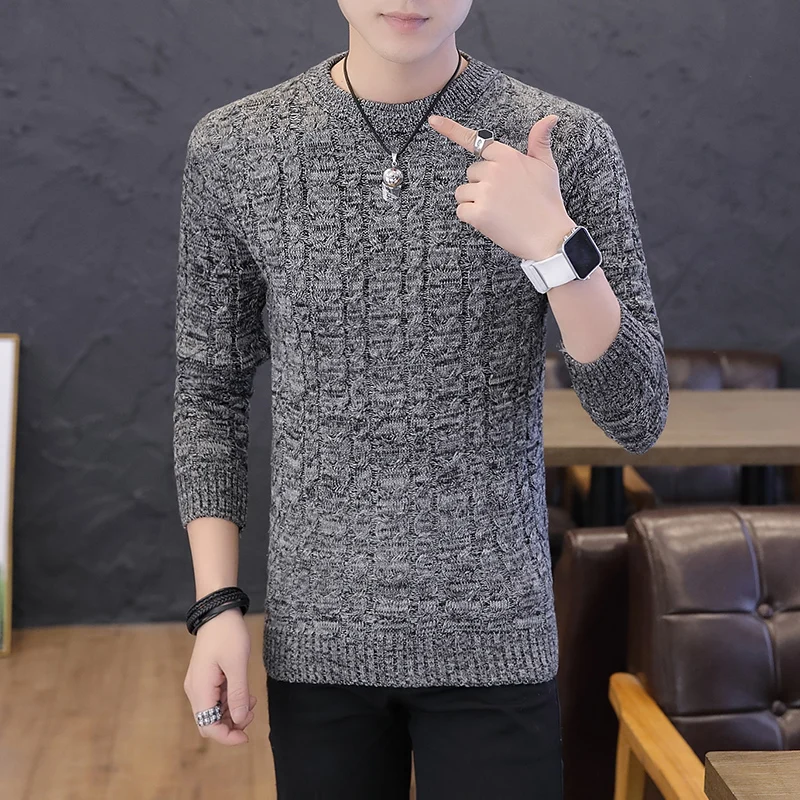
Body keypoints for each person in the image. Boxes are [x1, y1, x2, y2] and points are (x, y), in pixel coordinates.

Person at [173, 1, 669, 797]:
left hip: (496, 639)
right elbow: (210, 393)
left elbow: (637, 414)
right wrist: (217, 606)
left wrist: (555, 249)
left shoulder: (562, 141)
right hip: (318, 644)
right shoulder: (238, 146)